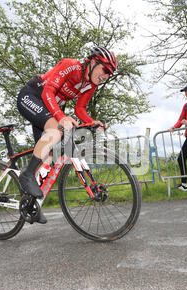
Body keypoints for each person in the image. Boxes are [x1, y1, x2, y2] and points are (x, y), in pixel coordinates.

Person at [17, 46, 117, 222]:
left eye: (110, 74)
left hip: (46, 108)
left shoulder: (90, 85)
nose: (106, 76)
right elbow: (48, 91)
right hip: (32, 96)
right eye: (105, 70)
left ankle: (29, 203)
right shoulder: (71, 66)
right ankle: (26, 175)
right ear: (93, 62)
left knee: (47, 157)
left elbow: (80, 109)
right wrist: (61, 117)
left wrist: (92, 122)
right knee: (57, 130)